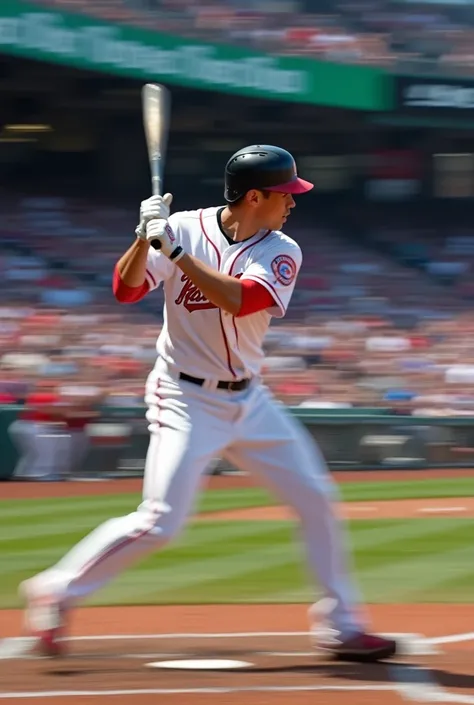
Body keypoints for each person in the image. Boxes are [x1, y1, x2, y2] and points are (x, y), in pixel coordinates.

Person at [20, 145, 396, 662]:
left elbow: (241, 299)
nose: (293, 203)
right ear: (255, 196)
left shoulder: (281, 249)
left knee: (315, 498)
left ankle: (342, 625)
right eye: (285, 194)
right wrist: (141, 239)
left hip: (250, 398)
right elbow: (125, 291)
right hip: (184, 396)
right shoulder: (181, 227)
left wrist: (173, 253)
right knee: (161, 520)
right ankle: (57, 591)